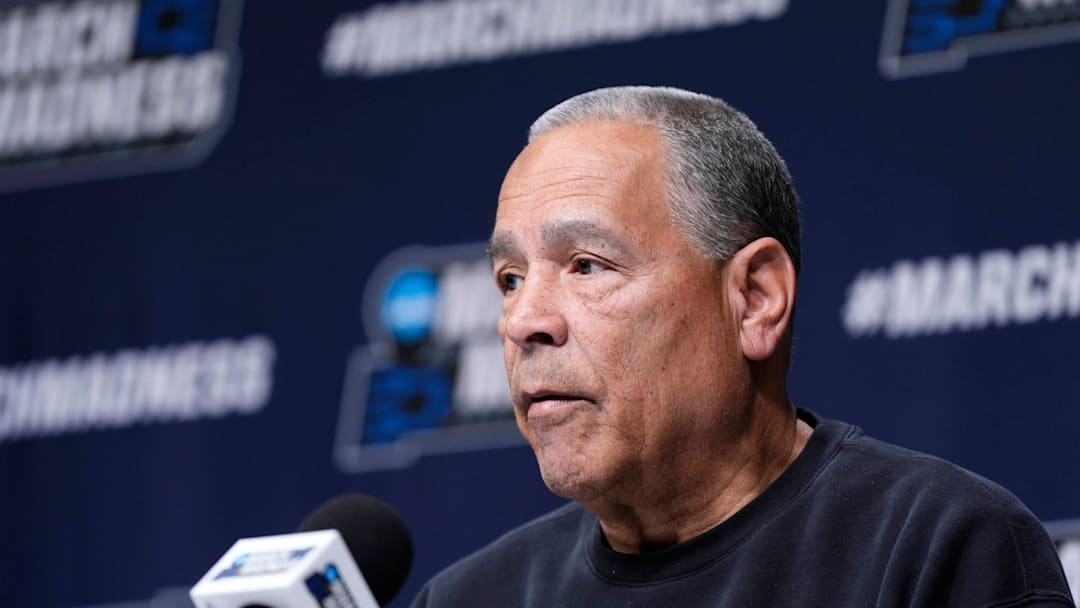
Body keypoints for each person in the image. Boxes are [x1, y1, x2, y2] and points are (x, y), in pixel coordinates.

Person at [411, 86, 1073, 607]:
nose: (522, 320)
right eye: (510, 279)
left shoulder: (938, 546)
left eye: (586, 265)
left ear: (755, 298)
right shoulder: (467, 597)